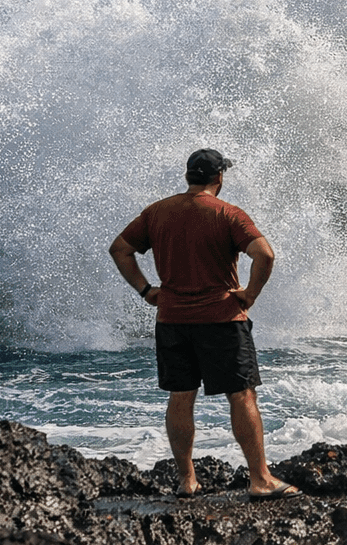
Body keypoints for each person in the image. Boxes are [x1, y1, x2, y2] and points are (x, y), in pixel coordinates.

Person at [109, 148, 299, 500]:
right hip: (221, 319)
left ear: (188, 176)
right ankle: (260, 479)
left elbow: (120, 248)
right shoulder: (227, 213)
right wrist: (250, 295)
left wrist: (146, 290)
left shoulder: (157, 212)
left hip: (172, 320)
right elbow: (265, 254)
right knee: (241, 395)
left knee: (181, 397)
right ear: (219, 177)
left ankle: (187, 480)